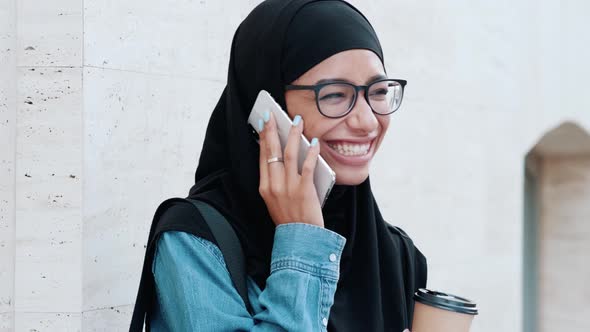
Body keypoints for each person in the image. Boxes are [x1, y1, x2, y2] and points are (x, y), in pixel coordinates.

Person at [132, 0, 427, 331]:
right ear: (268, 108)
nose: (367, 121)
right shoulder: (196, 242)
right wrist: (303, 242)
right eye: (334, 95)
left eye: (378, 91)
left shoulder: (395, 256)